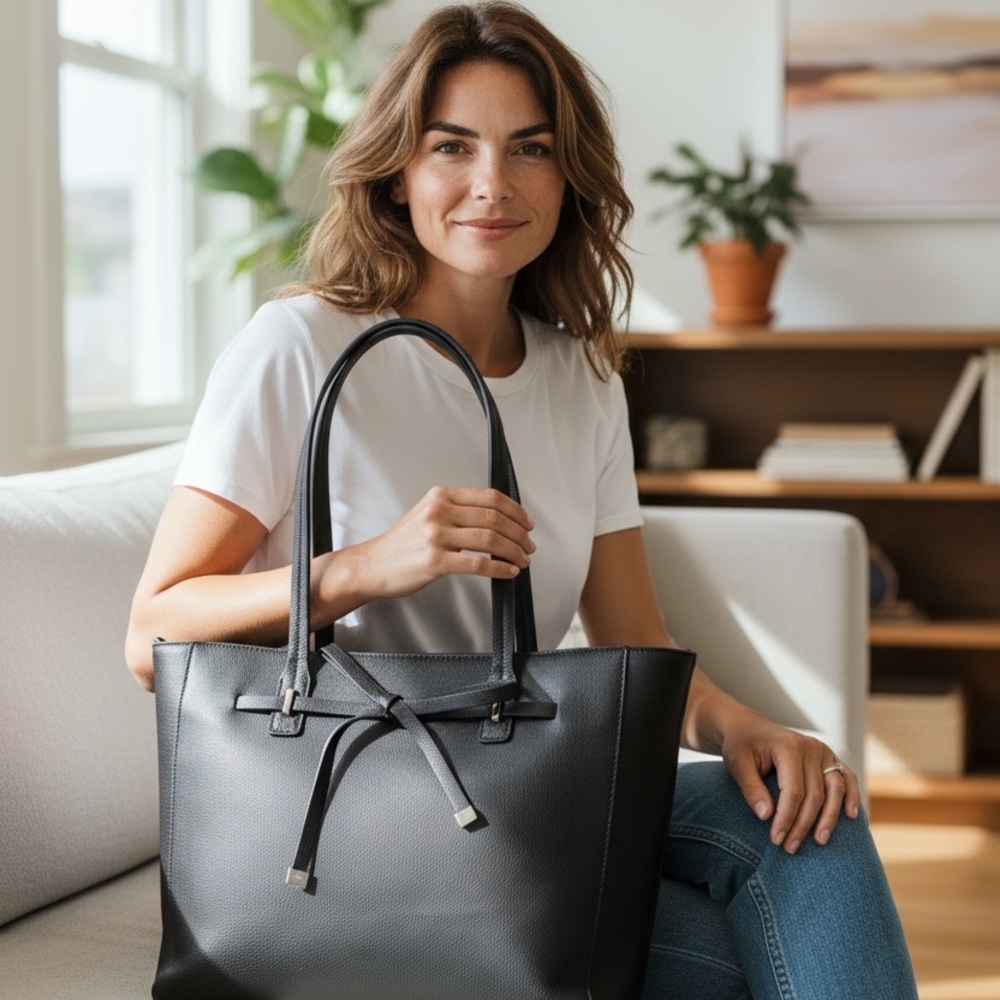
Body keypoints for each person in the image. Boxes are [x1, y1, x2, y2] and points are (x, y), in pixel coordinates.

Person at [126, 3, 919, 997]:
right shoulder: (300, 348)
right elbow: (151, 630)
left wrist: (739, 727)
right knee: (729, 961)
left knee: (810, 818)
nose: (492, 184)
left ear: (566, 177)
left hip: (526, 787)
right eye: (452, 146)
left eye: (529, 149)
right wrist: (366, 567)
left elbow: (631, 634)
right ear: (398, 170)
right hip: (356, 808)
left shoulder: (579, 378)